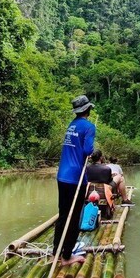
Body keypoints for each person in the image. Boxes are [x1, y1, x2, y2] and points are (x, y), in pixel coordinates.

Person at [53, 95, 95, 266]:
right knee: (75, 216)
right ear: (88, 110)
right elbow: (87, 150)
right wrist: (90, 149)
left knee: (63, 215)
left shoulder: (71, 125)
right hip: (76, 178)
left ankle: (56, 252)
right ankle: (67, 256)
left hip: (62, 175)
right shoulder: (89, 127)